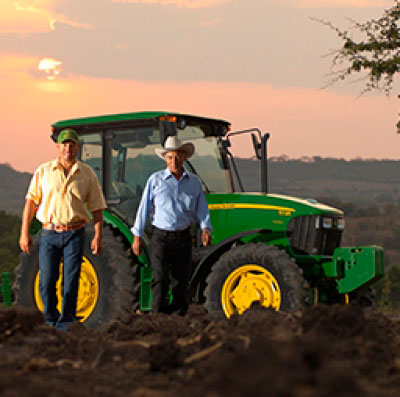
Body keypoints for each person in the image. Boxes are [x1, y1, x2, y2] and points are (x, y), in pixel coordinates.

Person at [19, 128, 107, 331]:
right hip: (49, 233)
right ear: (58, 147)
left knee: (71, 282)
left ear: (78, 147)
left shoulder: (87, 174)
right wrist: (24, 233)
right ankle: (50, 320)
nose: (68, 148)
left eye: (72, 144)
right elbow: (31, 204)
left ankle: (66, 323)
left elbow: (97, 208)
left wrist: (98, 236)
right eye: (64, 144)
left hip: (75, 233)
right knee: (47, 281)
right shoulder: (44, 171)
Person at [131, 135, 212, 315]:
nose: (173, 161)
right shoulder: (155, 180)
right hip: (161, 237)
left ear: (184, 157)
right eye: (169, 157)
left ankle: (178, 318)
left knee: (181, 280)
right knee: (160, 278)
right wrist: (137, 236)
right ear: (165, 159)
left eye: (177, 157)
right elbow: (143, 208)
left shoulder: (194, 183)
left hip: (183, 236)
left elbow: (202, 208)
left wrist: (205, 228)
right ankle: (158, 315)